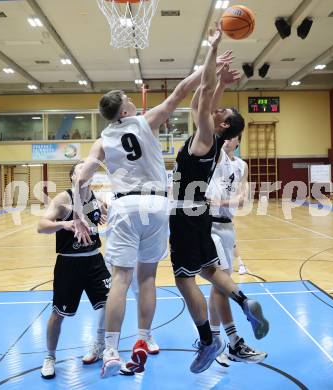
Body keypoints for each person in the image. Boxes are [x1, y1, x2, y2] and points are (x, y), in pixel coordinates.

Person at [72, 46, 232, 377]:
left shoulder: (102, 139)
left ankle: (112, 349)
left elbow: (82, 174)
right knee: (147, 278)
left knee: (121, 278)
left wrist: (77, 211)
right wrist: (210, 66)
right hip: (158, 205)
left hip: (125, 205)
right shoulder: (146, 121)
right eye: (129, 99)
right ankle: (143, 338)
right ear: (125, 108)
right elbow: (182, 90)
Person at [170, 27, 269, 374]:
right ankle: (244, 300)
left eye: (219, 111)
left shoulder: (205, 138)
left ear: (222, 123)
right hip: (203, 217)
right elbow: (205, 99)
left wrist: (212, 50)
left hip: (184, 214)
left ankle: (208, 340)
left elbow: (202, 94)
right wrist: (223, 83)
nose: (211, 110)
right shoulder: (214, 144)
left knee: (185, 280)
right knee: (212, 270)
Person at [38, 161, 115, 379]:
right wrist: (63, 225)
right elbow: (41, 225)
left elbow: (107, 220)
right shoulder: (64, 199)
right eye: (80, 169)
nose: (85, 171)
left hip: (94, 261)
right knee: (58, 314)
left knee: (111, 304)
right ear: (73, 177)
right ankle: (50, 357)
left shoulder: (95, 200)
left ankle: (100, 345)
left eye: (88, 168)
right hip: (68, 264)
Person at [206, 134, 267, 367]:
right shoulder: (215, 157)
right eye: (225, 135)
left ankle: (216, 342)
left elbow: (242, 199)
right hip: (208, 225)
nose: (226, 139)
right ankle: (229, 342)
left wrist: (228, 202)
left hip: (227, 226)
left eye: (232, 136)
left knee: (219, 287)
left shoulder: (242, 166)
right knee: (221, 283)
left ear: (238, 141)